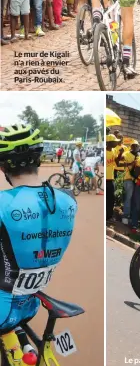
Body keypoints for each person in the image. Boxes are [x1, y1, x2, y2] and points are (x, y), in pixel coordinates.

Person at [0, 124, 77, 330]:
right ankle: (23, 343)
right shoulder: (68, 200)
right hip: (33, 304)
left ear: (3, 167)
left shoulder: (3, 203)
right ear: (40, 159)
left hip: (3, 310)